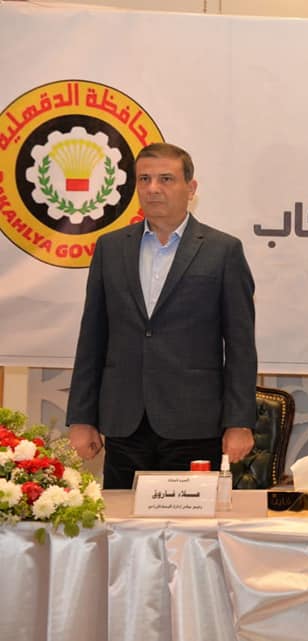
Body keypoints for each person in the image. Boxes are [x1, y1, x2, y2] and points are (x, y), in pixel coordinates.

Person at [66, 143, 257, 489]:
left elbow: (241, 346)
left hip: (194, 424)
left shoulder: (223, 251)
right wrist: (82, 418)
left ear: (191, 188)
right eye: (145, 179)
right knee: (121, 520)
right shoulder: (111, 248)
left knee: (188, 522)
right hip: (124, 422)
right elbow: (92, 338)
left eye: (166, 179)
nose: (153, 188)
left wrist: (239, 422)